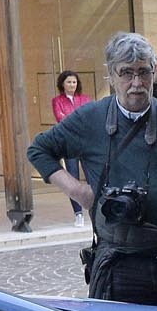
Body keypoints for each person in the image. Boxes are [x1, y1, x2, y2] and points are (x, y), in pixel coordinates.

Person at [28, 32, 157, 309]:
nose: (136, 83)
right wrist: (78, 190)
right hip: (120, 263)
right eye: (126, 73)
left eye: (144, 72)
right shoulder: (90, 118)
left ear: (154, 73)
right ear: (111, 75)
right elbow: (38, 150)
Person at [53, 70, 93, 229]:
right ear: (63, 84)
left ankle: (95, 208)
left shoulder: (85, 99)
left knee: (92, 177)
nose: (72, 85)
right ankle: (78, 213)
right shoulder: (57, 100)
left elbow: (89, 118)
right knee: (72, 178)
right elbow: (61, 118)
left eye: (74, 82)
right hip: (69, 145)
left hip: (86, 144)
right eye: (69, 82)